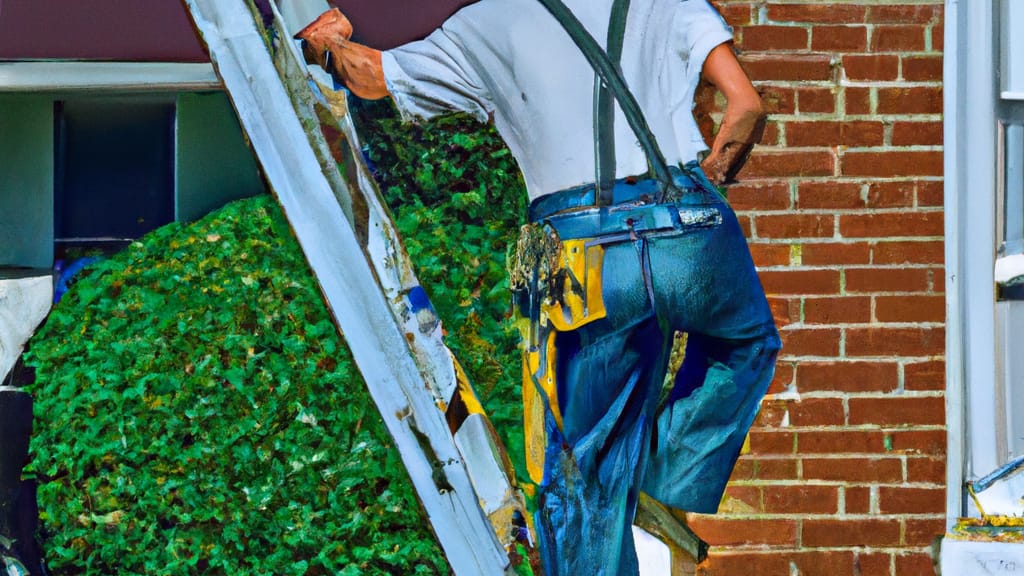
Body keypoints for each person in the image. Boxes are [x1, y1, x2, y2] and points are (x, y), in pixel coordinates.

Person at [297, 1, 780, 573]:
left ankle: (616, 489)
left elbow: (370, 77)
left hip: (587, 254)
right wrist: (707, 185)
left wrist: (328, 42)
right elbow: (745, 106)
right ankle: (664, 472)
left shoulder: (492, 22)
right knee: (747, 342)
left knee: (582, 472)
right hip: (690, 231)